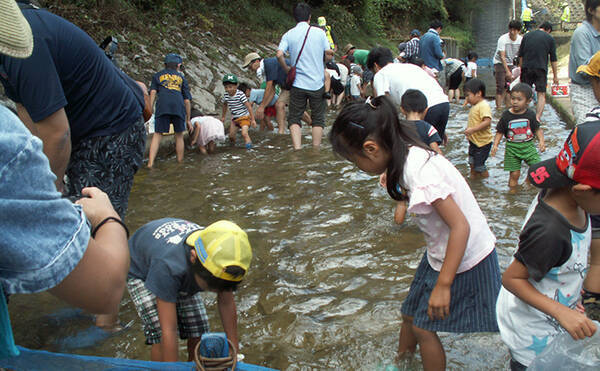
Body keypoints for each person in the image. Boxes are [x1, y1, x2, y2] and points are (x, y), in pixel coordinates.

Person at [329, 96, 501, 371]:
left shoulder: (420, 172)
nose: (358, 167)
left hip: (465, 254)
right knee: (410, 313)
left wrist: (444, 286)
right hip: (440, 251)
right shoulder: (402, 149)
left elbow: (461, 227)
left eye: (355, 161)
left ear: (371, 148)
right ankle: (400, 364)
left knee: (423, 327)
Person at [0, 1, 145, 219]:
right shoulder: (10, 41)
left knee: (92, 224)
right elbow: (26, 108)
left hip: (112, 130)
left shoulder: (23, 41)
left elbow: (57, 133)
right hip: (78, 128)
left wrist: (46, 194)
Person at [496, 120, 600, 370]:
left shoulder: (567, 192)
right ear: (584, 190)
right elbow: (512, 279)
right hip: (533, 335)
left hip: (553, 310)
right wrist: (561, 312)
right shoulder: (550, 230)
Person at [103, 218, 252, 362]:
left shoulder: (221, 259)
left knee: (199, 329)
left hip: (176, 265)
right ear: (193, 258)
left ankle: (193, 364)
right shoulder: (168, 267)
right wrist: (172, 367)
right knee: (159, 334)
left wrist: (234, 352)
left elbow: (226, 303)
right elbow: (168, 330)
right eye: (211, 287)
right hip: (140, 269)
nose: (216, 291)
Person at [277, 2, 333, 149]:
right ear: (309, 17)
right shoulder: (320, 33)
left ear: (294, 17)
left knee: (294, 117)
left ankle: (297, 149)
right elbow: (329, 54)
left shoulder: (288, 34)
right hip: (317, 83)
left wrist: (287, 69)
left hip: (298, 84)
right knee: (317, 119)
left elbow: (279, 54)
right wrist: (323, 61)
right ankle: (315, 150)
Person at [368, 46, 450, 141]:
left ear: (375, 66)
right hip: (443, 104)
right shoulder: (410, 66)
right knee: (432, 150)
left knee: (417, 148)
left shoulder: (381, 73)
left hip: (424, 110)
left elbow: (383, 102)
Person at [490, 83, 545, 188]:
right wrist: (495, 145)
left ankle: (528, 181)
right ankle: (512, 194)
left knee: (537, 167)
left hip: (528, 147)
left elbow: (538, 129)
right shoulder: (506, 115)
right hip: (512, 149)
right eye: (513, 99)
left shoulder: (530, 115)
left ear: (528, 101)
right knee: (514, 174)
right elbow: (500, 131)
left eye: (519, 99)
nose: (514, 102)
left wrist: (541, 142)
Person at [147, 53, 192, 168]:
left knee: (157, 135)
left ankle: (150, 163)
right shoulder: (182, 78)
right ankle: (180, 162)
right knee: (179, 135)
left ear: (165, 65)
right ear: (178, 65)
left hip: (163, 106)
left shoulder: (157, 76)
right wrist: (188, 119)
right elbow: (187, 101)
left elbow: (153, 92)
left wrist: (150, 109)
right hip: (178, 106)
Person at [518, 21, 559, 122]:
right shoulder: (550, 38)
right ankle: (537, 117)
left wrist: (521, 69)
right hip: (541, 68)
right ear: (548, 30)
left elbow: (521, 55)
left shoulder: (527, 36)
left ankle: (523, 115)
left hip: (526, 67)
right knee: (541, 94)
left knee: (524, 93)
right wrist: (555, 76)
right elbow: (553, 59)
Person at [569, 0, 600, 125]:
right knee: (588, 130)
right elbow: (585, 67)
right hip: (584, 90)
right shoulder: (582, 33)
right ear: (591, 10)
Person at [464, 78, 493, 179]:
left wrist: (473, 130)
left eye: (468, 95)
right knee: (472, 162)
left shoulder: (483, 105)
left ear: (478, 93)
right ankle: (473, 180)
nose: (466, 98)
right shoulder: (475, 105)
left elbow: (487, 121)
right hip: (474, 141)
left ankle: (487, 182)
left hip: (483, 143)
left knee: (479, 166)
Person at [400, 89, 443, 155]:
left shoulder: (397, 127)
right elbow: (436, 151)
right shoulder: (429, 128)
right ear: (426, 110)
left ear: (402, 109)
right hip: (423, 162)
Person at [220, 74, 257, 149]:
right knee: (231, 136)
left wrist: (253, 119)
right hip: (235, 119)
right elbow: (224, 105)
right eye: (226, 87)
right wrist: (223, 116)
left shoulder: (240, 94)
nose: (228, 89)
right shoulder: (226, 95)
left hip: (244, 117)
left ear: (236, 86)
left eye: (230, 87)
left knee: (244, 133)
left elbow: (249, 106)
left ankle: (249, 150)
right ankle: (234, 149)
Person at [493, 20, 523, 110]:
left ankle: (508, 107)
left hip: (512, 63)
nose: (512, 32)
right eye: (511, 30)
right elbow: (502, 56)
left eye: (515, 30)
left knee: (510, 86)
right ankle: (498, 108)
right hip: (500, 63)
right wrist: (507, 71)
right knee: (501, 86)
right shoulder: (503, 39)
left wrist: (520, 68)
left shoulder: (521, 40)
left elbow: (521, 55)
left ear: (519, 31)